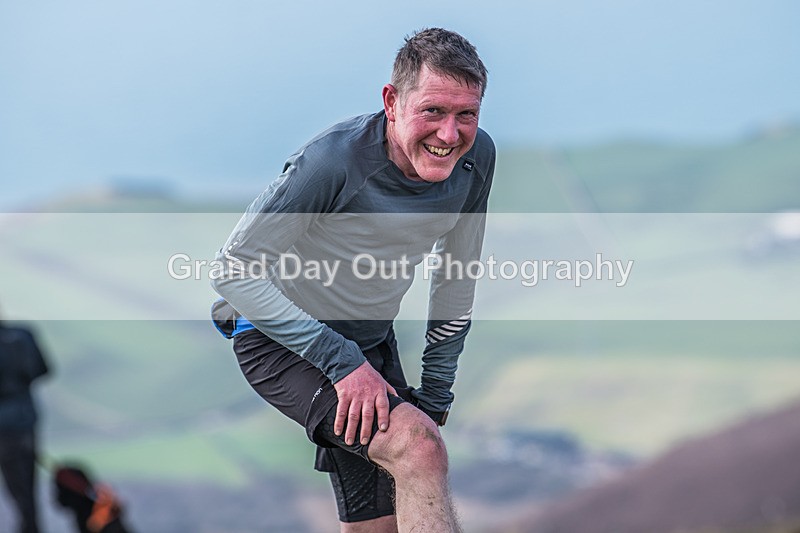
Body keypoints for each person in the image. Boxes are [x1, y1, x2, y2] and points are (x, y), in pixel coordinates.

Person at [211, 27, 494, 532]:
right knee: (419, 450)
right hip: (282, 343)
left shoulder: (475, 160)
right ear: (392, 102)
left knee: (377, 523)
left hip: (368, 343)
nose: (449, 135)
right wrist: (343, 363)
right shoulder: (332, 163)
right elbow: (233, 270)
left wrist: (436, 391)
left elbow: (456, 277)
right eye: (432, 111)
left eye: (466, 114)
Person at [0, 314, 50, 533]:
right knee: (27, 491)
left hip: (4, 427)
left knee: (18, 492)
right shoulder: (23, 335)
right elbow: (44, 369)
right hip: (26, 419)